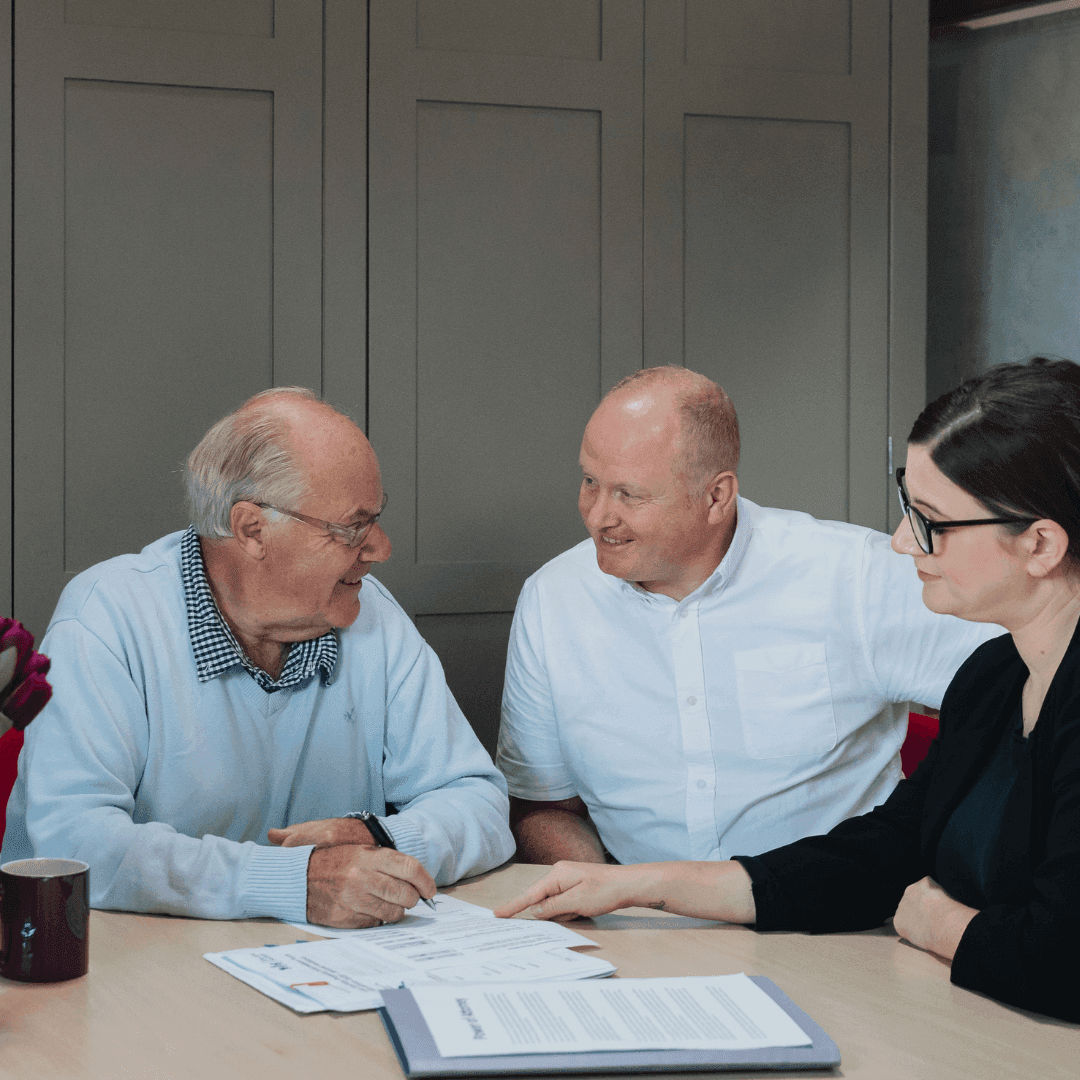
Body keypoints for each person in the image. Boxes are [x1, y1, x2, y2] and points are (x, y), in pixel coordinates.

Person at [496, 357, 1080, 1023]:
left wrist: (940, 922)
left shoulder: (882, 596)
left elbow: (1061, 955)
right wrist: (643, 886)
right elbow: (883, 854)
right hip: (964, 1003)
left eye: (930, 521)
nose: (900, 542)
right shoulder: (995, 675)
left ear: (1040, 545)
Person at [2, 388, 514, 927]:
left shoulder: (374, 618)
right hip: (124, 959)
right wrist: (291, 881)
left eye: (376, 519)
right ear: (252, 530)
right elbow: (75, 844)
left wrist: (379, 836)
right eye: (351, 528)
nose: (381, 548)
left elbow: (478, 802)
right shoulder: (107, 618)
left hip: (316, 963)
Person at [498, 366, 999, 866]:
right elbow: (543, 807)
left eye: (629, 494)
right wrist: (604, 893)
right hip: (635, 909)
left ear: (716, 497)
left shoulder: (857, 577)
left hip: (838, 906)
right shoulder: (552, 599)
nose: (597, 516)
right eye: (590, 481)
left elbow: (1026, 701)